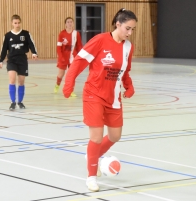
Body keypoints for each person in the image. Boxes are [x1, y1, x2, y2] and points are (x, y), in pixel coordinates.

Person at [63, 8, 137, 191]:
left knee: (115, 135)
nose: (129, 33)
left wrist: (129, 85)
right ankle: (91, 176)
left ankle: (92, 157)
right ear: (117, 24)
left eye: (132, 29)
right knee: (96, 138)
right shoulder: (100, 40)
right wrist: (69, 82)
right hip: (93, 94)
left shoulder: (128, 47)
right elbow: (79, 62)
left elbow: (124, 71)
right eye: (127, 28)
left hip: (113, 98)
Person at [0, 14, 38, 110]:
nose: (17, 25)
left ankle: (20, 102)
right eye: (15, 23)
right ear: (12, 23)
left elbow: (31, 44)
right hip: (11, 60)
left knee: (21, 81)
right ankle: (12, 102)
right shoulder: (7, 36)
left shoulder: (26, 34)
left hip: (22, 60)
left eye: (19, 23)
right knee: (12, 80)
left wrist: (34, 53)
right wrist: (0, 60)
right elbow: (3, 49)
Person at [54, 17, 82, 97]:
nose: (69, 23)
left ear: (73, 23)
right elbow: (59, 47)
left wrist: (80, 55)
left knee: (71, 75)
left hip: (73, 58)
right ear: (65, 24)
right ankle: (57, 85)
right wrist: (61, 57)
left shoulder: (76, 34)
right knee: (61, 74)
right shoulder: (62, 34)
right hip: (63, 57)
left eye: (71, 22)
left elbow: (79, 46)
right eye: (68, 22)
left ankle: (71, 90)